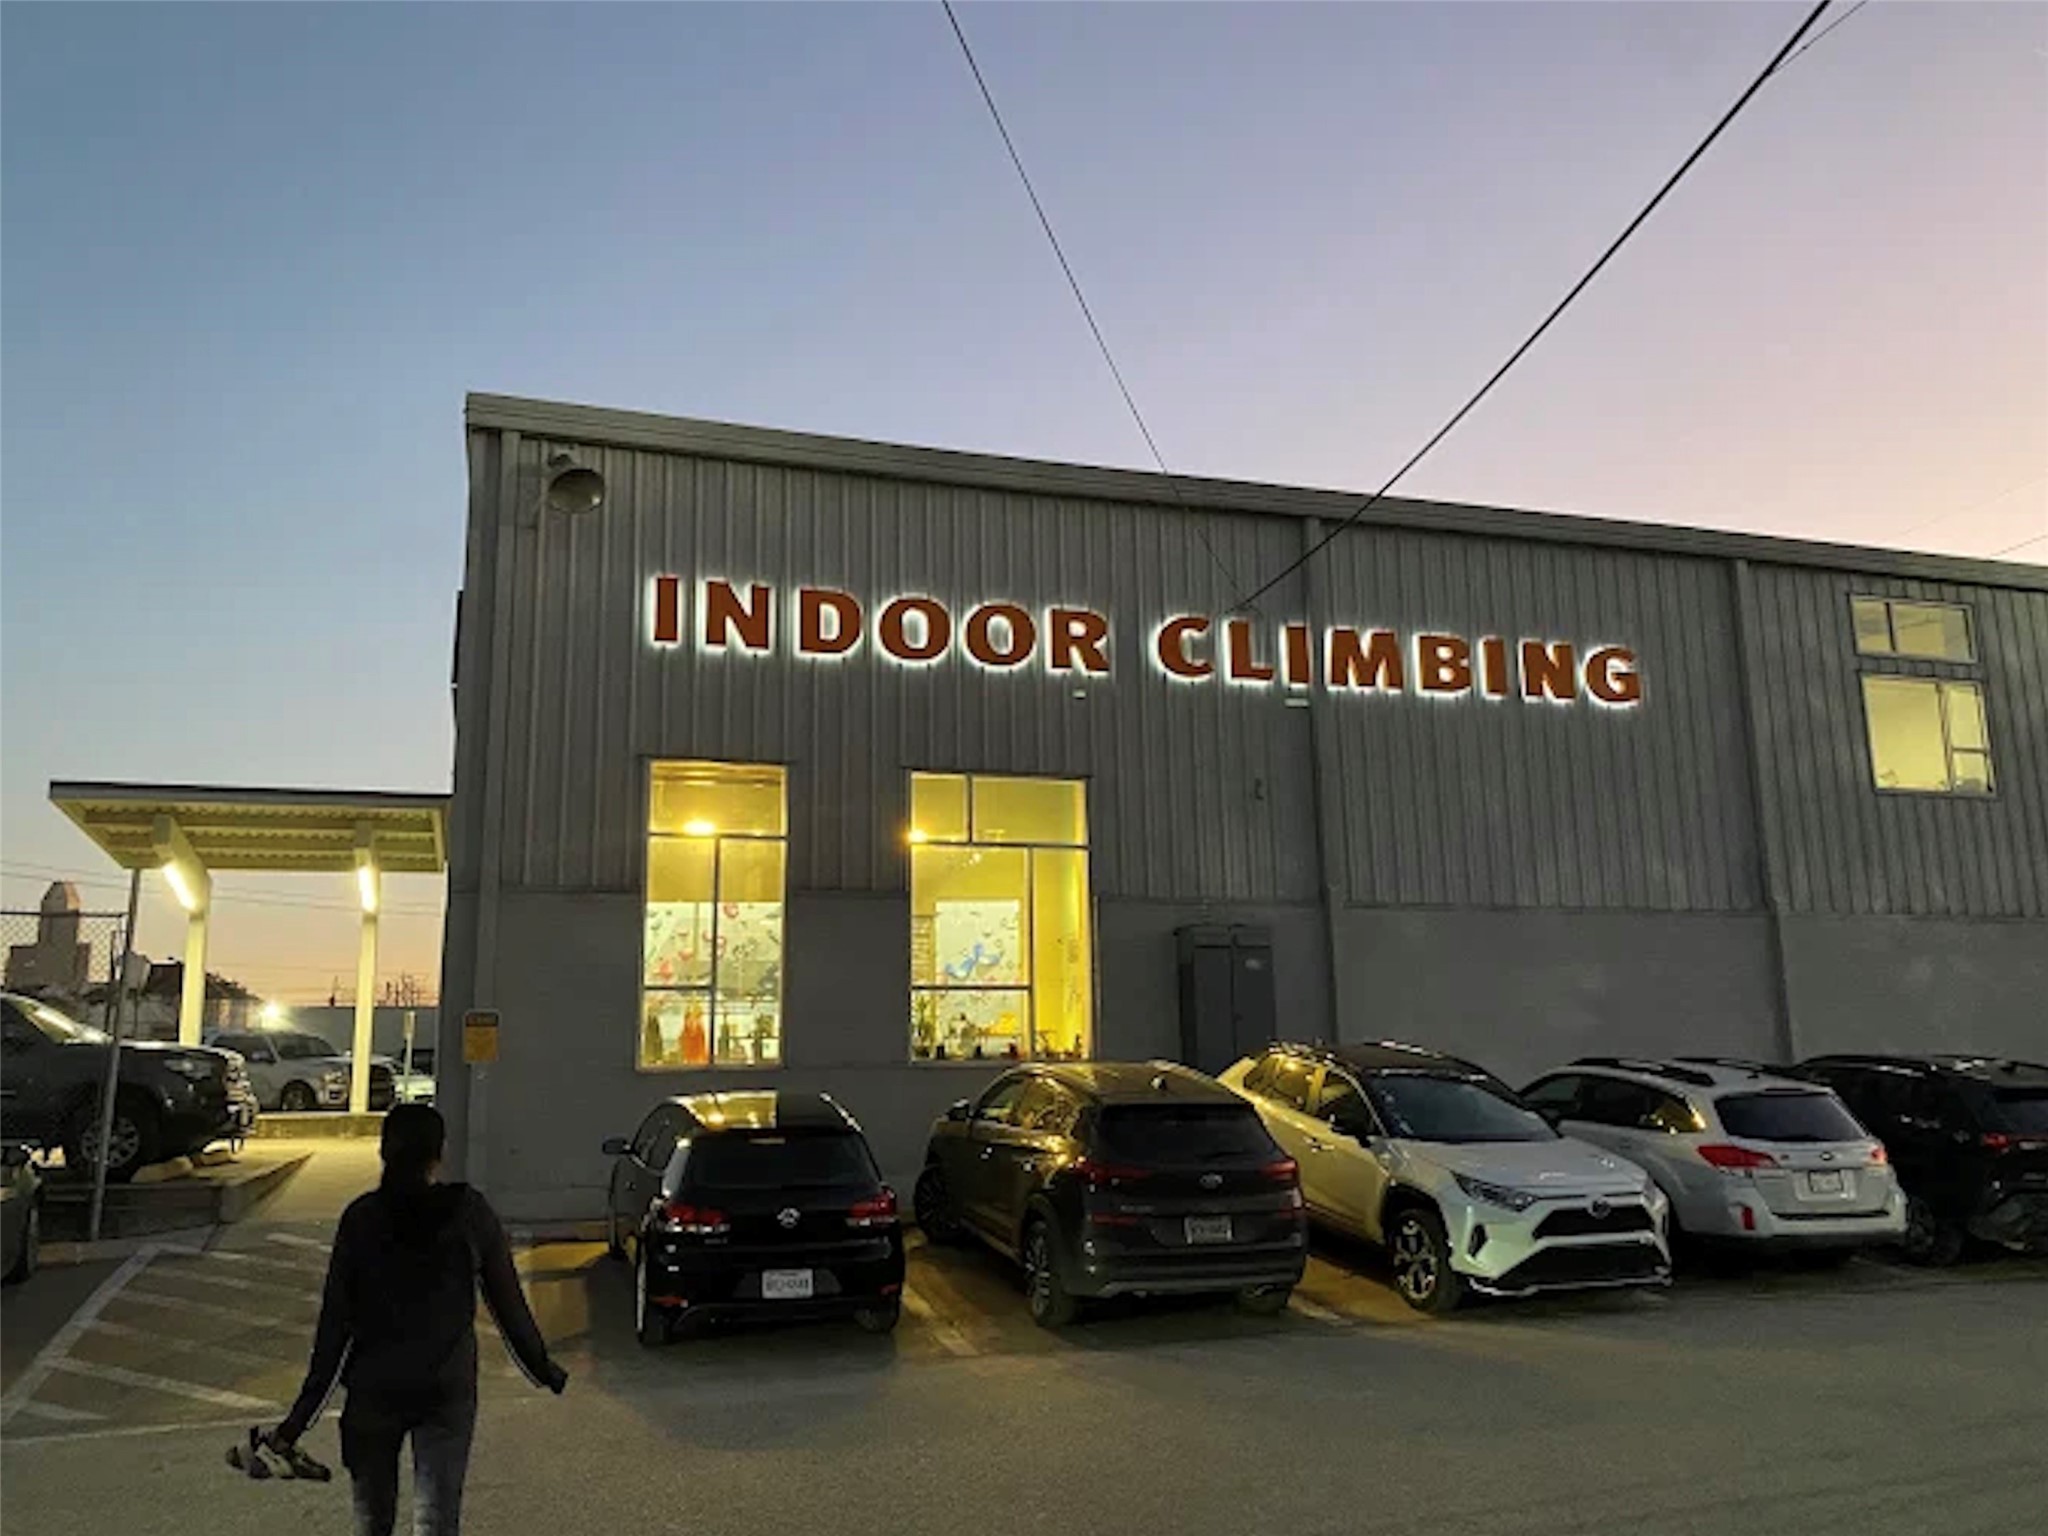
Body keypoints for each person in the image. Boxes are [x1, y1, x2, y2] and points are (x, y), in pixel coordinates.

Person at [266, 1104, 567, 1535]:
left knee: (373, 1523)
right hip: (446, 1389)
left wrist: (298, 1421)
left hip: (373, 1392)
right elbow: (508, 1303)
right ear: (438, 1153)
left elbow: (333, 1328)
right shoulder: (468, 1212)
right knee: (437, 1522)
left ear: (383, 1152)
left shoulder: (361, 1219)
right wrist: (543, 1369)